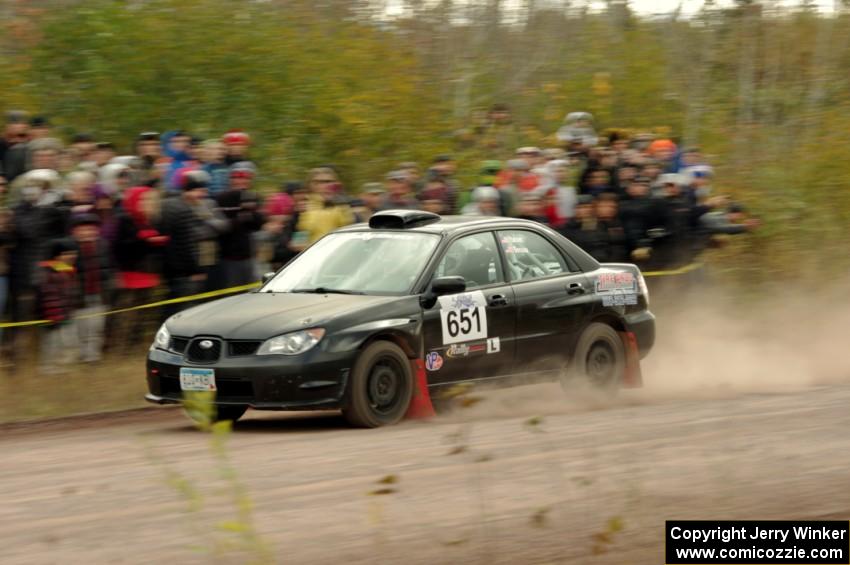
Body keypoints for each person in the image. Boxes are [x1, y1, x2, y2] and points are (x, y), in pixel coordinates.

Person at [159, 170, 209, 319]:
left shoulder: (167, 204)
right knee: (182, 309)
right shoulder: (184, 209)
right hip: (182, 271)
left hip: (168, 267)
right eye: (199, 191)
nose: (202, 196)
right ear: (189, 191)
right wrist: (195, 270)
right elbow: (187, 244)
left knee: (170, 305)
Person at [69, 214, 112, 363]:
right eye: (82, 229)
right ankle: (82, 354)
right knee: (80, 327)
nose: (87, 233)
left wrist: (109, 284)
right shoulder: (70, 248)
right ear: (75, 231)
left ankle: (93, 357)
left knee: (96, 326)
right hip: (79, 296)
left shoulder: (103, 245)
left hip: (99, 294)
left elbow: (110, 267)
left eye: (90, 229)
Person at [216, 162, 265, 287]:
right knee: (232, 293)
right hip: (228, 258)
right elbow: (222, 227)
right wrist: (242, 215)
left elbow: (258, 225)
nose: (241, 182)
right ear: (231, 180)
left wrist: (252, 214)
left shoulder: (253, 196)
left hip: (249, 255)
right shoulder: (222, 198)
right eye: (237, 178)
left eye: (245, 178)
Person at [37, 238, 79, 374]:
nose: (71, 256)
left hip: (64, 315)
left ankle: (59, 368)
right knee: (51, 343)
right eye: (66, 253)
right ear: (57, 256)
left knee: (67, 343)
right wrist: (54, 314)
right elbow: (49, 296)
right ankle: (47, 368)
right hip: (51, 317)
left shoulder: (67, 271)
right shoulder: (50, 273)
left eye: (73, 252)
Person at [295, 167, 354, 244]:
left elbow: (348, 231)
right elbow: (298, 241)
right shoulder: (304, 205)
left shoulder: (341, 205)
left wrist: (341, 204)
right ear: (311, 185)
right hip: (312, 253)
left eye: (330, 182)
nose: (327, 185)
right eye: (320, 182)